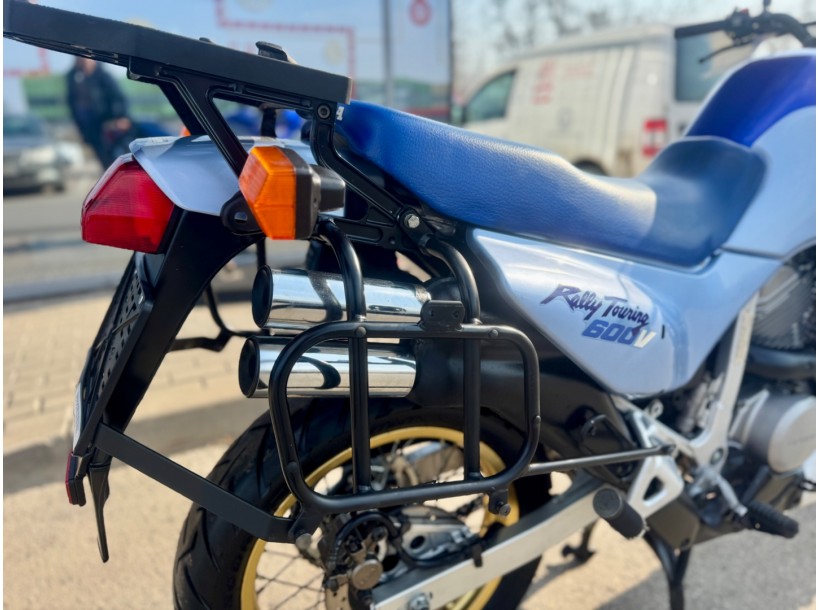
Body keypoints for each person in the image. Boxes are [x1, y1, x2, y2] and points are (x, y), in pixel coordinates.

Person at [66, 57, 131, 168]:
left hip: (110, 125)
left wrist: (120, 117)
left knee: (119, 157)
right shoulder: (73, 78)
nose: (83, 61)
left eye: (85, 59)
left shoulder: (104, 76)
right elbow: (72, 103)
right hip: (90, 128)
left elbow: (117, 98)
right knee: (105, 161)